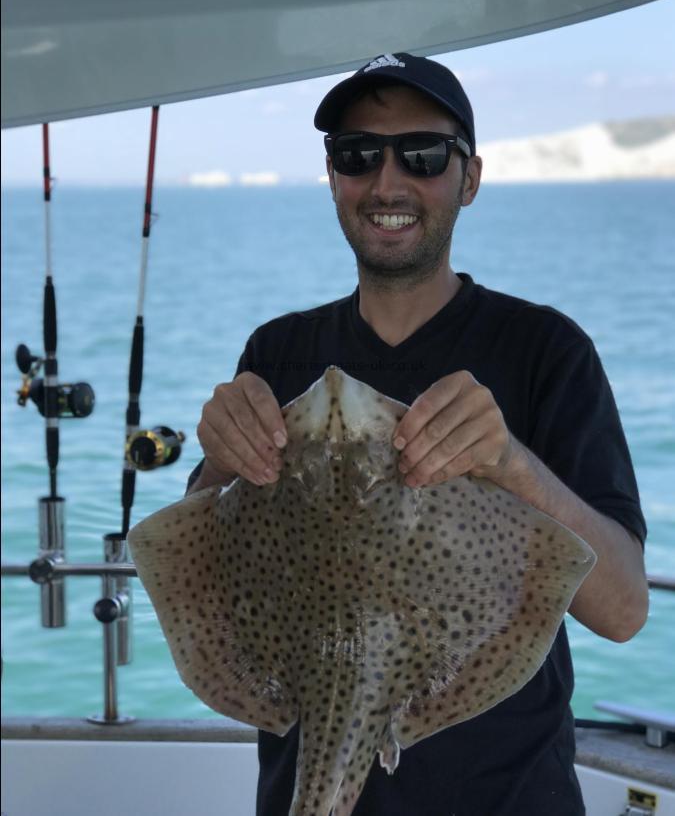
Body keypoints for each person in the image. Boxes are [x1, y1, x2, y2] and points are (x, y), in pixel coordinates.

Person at [187, 52, 649, 816]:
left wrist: (510, 464)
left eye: (423, 155)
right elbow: (207, 557)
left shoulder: (544, 351)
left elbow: (624, 608)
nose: (387, 183)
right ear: (333, 177)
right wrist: (215, 462)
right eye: (357, 155)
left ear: (468, 178)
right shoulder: (276, 351)